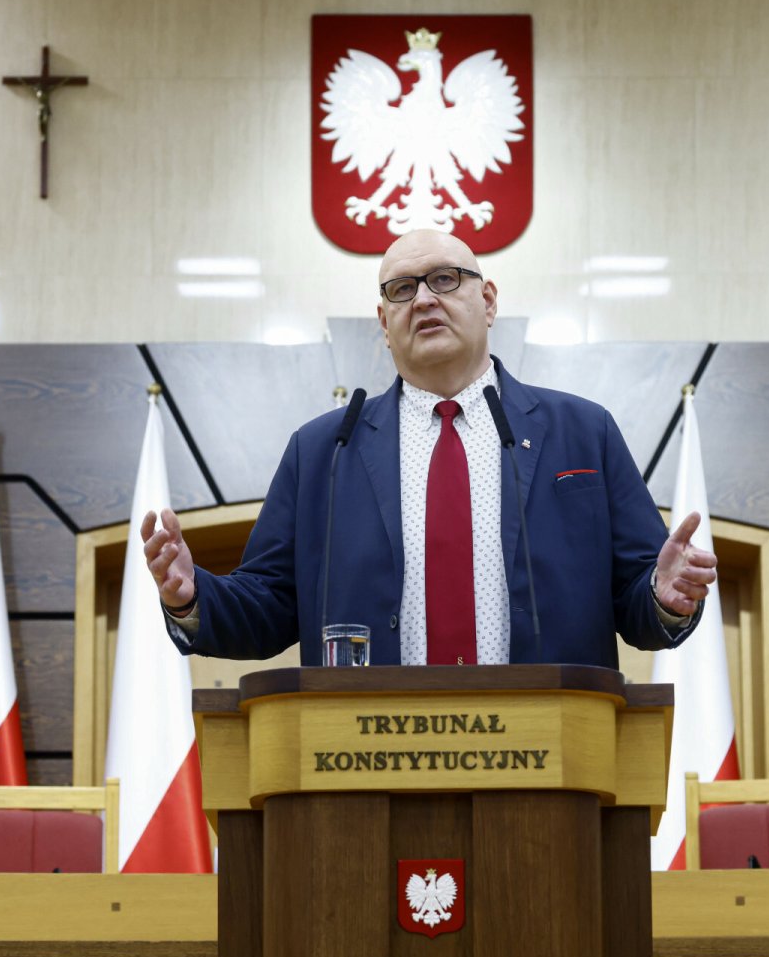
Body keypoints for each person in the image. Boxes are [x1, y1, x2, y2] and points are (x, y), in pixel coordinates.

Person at [142, 229, 718, 668]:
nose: (423, 299)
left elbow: (638, 598)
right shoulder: (323, 452)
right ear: (383, 321)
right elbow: (268, 608)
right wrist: (196, 598)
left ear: (488, 301)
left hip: (547, 764)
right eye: (402, 289)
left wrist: (664, 597)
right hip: (368, 768)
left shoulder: (582, 431)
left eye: (445, 279)